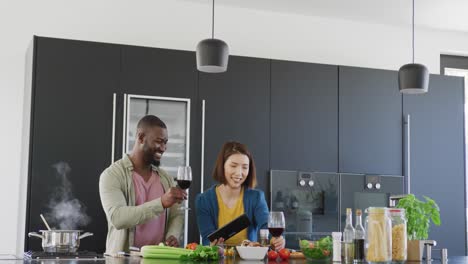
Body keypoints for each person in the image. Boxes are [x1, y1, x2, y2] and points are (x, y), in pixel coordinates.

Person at [99, 115, 186, 254]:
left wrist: (173, 235)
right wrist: (161, 203)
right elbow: (118, 218)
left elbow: (177, 214)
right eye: (159, 142)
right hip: (123, 260)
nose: (163, 148)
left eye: (165, 142)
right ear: (140, 138)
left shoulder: (165, 178)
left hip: (160, 259)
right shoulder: (112, 175)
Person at [195, 141, 285, 250]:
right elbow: (206, 238)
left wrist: (276, 239)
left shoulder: (256, 197)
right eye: (233, 166)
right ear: (222, 165)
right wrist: (213, 246)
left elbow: (266, 225)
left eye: (245, 167)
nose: (239, 173)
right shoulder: (204, 200)